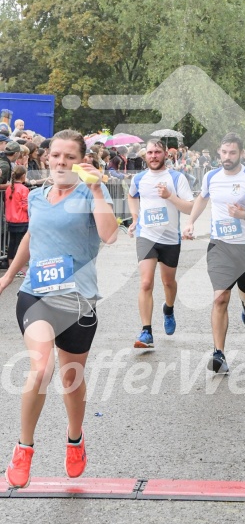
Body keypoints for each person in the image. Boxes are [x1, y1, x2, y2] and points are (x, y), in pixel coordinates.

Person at [0, 129, 118, 488]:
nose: (60, 162)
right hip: (36, 296)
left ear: (81, 161)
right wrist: (6, 280)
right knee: (41, 368)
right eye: (55, 156)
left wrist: (97, 189)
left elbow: (110, 234)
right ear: (47, 158)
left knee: (71, 380)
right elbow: (33, 239)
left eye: (69, 157)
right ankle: (24, 447)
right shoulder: (37, 198)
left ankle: (75, 438)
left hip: (79, 302)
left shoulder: (91, 193)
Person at [182, 133, 245, 374]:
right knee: (220, 297)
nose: (227, 157)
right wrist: (191, 222)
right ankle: (219, 353)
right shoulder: (211, 176)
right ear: (219, 153)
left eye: (232, 153)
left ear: (241, 154)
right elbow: (201, 199)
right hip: (220, 245)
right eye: (224, 152)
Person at [128, 138, 194, 348]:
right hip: (146, 236)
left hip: (170, 239)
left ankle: (169, 308)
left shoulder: (177, 178)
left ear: (165, 154)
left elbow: (189, 208)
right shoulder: (139, 179)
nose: (154, 156)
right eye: (150, 152)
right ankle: (146, 331)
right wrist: (135, 218)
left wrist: (170, 196)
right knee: (146, 282)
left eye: (157, 152)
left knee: (168, 282)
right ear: (145, 155)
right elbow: (132, 196)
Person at [5, 165, 29, 276]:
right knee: (19, 245)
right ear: (23, 176)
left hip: (11, 219)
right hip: (21, 219)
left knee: (12, 243)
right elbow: (25, 206)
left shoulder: (9, 188)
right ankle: (18, 268)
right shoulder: (24, 189)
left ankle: (11, 265)